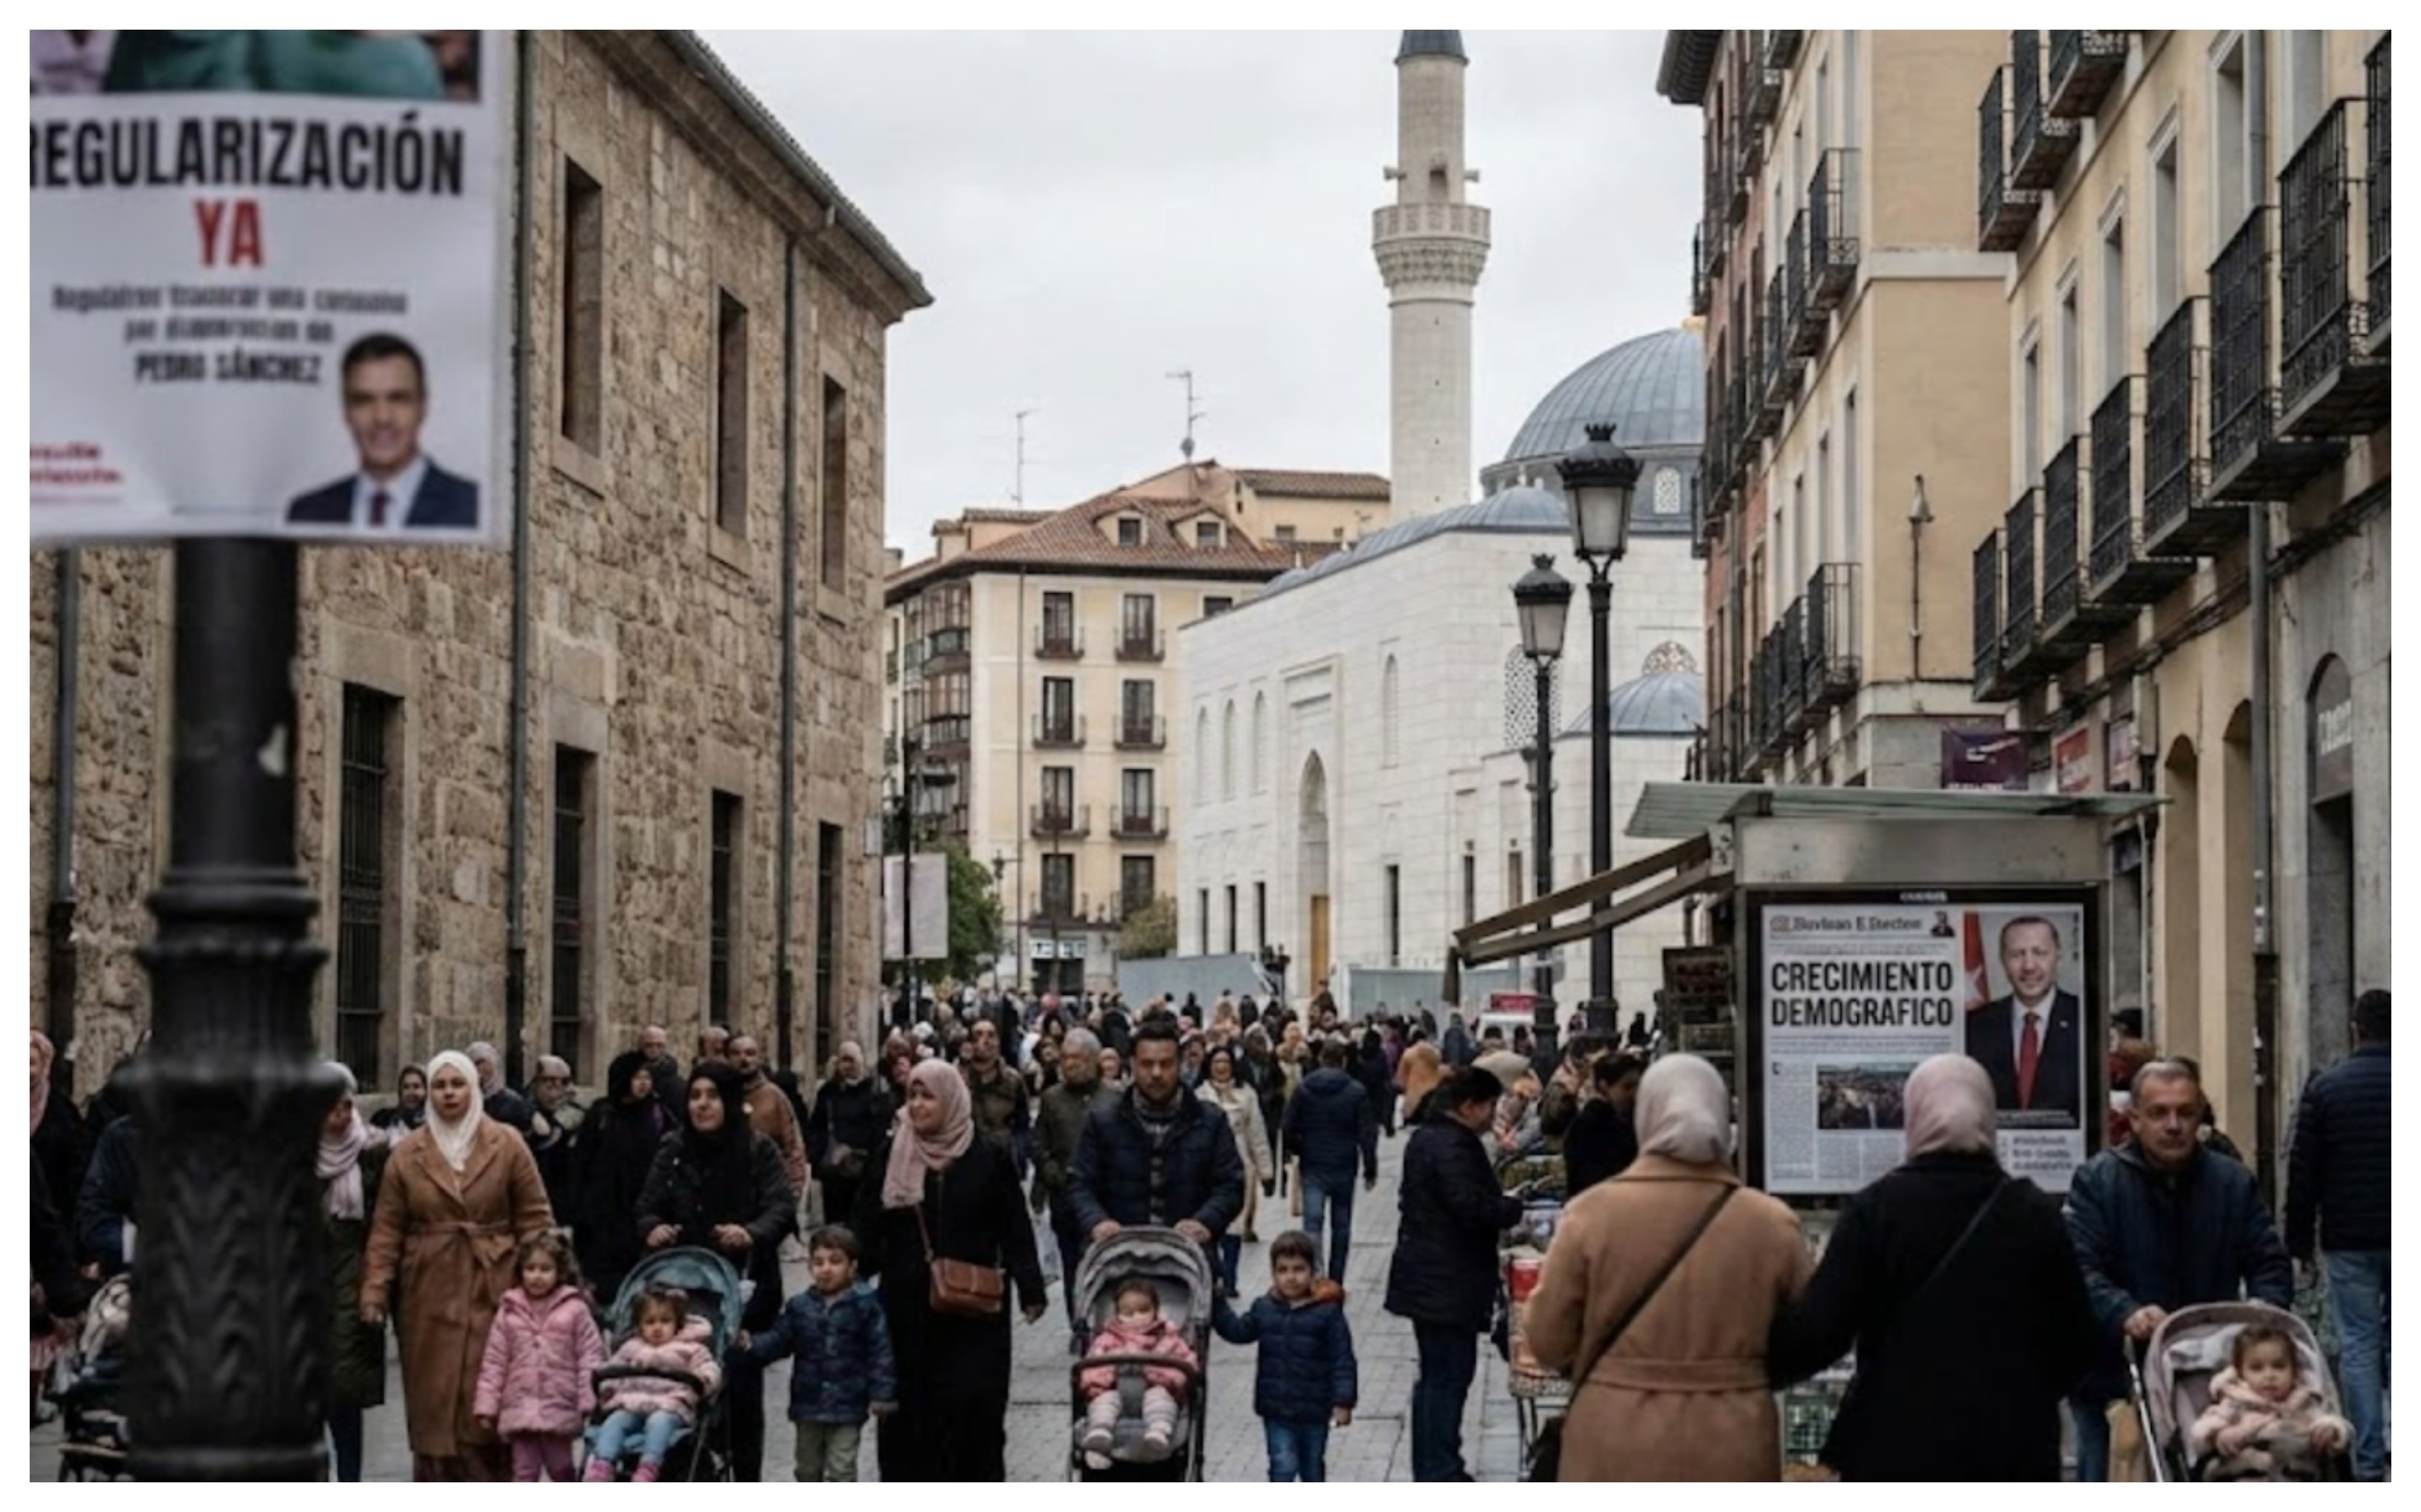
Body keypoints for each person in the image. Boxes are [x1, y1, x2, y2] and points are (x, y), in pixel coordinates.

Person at [1768, 1055, 2098, 1480]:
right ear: (1988, 1115)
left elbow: (1822, 1332)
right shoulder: (2033, 1213)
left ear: (1914, 1115)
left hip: (1898, 1447)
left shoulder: (1876, 1211)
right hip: (2013, 1450)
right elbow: (2076, 1344)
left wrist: (1748, 1366)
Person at [1524, 1054, 1811, 1481]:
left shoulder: (1592, 1215)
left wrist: (1605, 1366)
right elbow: (1808, 1336)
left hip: (1613, 1429)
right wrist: (1744, 1372)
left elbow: (1548, 1337)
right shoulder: (1770, 1224)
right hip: (1733, 1434)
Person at [2063, 1059, 2293, 1481]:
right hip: (2115, 1379)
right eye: (2159, 1113)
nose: (2173, 1125)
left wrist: (2261, 1317)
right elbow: (2080, 1267)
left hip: (2209, 1377)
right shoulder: (2098, 1182)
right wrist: (2126, 1312)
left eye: (2185, 1113)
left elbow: (2269, 1262)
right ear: (2135, 1119)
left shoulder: (2232, 1183)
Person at [360, 1049, 556, 1480]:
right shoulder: (406, 1154)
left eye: (457, 1084)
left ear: (473, 1087)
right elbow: (387, 1229)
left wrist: (543, 1285)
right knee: (434, 1399)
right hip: (427, 1291)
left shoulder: (507, 1143)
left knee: (487, 1398)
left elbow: (535, 1219)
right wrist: (376, 1289)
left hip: (495, 1285)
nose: (449, 1094)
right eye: (440, 1086)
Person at [853, 1059, 1047, 1481]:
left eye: (929, 1096)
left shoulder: (986, 1155)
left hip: (974, 1313)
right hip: (907, 1311)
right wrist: (853, 1276)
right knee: (909, 1418)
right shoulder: (893, 1154)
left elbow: (1014, 1225)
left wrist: (1031, 1287)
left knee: (974, 1414)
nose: (918, 1106)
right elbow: (868, 1223)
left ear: (952, 1099)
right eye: (913, 1096)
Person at [636, 1062, 796, 1480]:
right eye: (695, 1096)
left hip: (742, 1290)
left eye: (712, 1096)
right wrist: (653, 1228)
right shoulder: (673, 1150)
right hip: (682, 1290)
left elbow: (781, 1207)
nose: (702, 1105)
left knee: (740, 1394)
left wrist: (751, 1232)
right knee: (678, 1388)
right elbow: (647, 1204)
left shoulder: (758, 1150)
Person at [1384, 1066, 1524, 1481]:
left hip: (1429, 1276)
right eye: (1490, 1106)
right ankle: (1441, 1469)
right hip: (1448, 1279)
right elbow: (1468, 1204)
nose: (1492, 1115)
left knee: (1435, 1376)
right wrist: (1508, 1208)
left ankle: (1432, 1465)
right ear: (1468, 1106)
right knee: (1449, 1376)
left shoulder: (1427, 1138)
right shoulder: (1455, 1145)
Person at [2283, 987, 2391, 1480]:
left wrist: (2298, 1242)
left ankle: (2369, 1460)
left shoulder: (2327, 1089)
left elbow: (2303, 1172)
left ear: (2355, 1029)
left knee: (2360, 1344)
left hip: (2349, 1236)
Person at [1069, 1020, 1247, 1258]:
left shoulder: (1210, 1121)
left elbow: (1231, 1184)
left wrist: (1205, 1221)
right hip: (1117, 1257)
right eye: (1147, 1064)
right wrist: (1097, 1221)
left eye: (1166, 1064)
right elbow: (1080, 1183)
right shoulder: (1102, 1122)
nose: (1156, 1073)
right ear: (1132, 1065)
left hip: (1189, 1257)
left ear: (1180, 1064)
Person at [739, 1225, 897, 1482]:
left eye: (835, 1262)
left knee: (841, 1468)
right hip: (808, 1403)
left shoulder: (865, 1307)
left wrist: (883, 1393)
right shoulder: (800, 1307)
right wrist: (752, 1345)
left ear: (852, 1266)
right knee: (807, 1468)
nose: (826, 1269)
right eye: (818, 1262)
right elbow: (780, 1339)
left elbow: (880, 1351)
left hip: (848, 1403)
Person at [286, 332, 481, 529]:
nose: (382, 418)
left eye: (398, 399)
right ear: (346, 411)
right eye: (364, 401)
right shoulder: (307, 513)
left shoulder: (473, 507)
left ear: (423, 406)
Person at [1212, 1230, 1357, 1482]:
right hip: (1277, 1408)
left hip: (1315, 1408)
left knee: (1312, 1467)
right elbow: (1238, 1331)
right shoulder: (1265, 1308)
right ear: (1274, 1273)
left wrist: (1343, 1401)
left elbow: (1342, 1359)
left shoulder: (1327, 1313)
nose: (1291, 1277)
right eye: (1283, 1270)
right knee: (1282, 1465)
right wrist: (1216, 1303)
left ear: (1313, 1271)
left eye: (1299, 1269)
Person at [472, 1229, 607, 1482]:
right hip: (520, 1406)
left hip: (559, 1404)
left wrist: (588, 1397)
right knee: (524, 1471)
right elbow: (494, 1361)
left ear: (560, 1271)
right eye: (530, 1269)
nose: (537, 1276)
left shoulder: (575, 1310)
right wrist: (487, 1405)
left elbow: (590, 1356)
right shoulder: (510, 1311)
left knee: (561, 1468)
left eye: (545, 1269)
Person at [319, 1063, 391, 1482]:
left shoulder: (372, 1152)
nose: (340, 1114)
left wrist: (376, 1286)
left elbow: (386, 1223)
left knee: (344, 1393)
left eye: (346, 1105)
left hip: (353, 1283)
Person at [582, 1286, 721, 1483]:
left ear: (677, 1323)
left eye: (665, 1321)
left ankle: (649, 1466)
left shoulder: (690, 1348)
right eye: (650, 1322)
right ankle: (602, 1464)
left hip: (670, 1405)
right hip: (632, 1403)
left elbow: (709, 1367)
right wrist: (608, 1387)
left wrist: (704, 1379)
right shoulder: (631, 1348)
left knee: (658, 1422)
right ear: (639, 1326)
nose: (657, 1328)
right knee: (615, 1421)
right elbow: (611, 1370)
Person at [2187, 1321, 2351, 1480]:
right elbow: (2201, 1432)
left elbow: (2328, 1420)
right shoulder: (2233, 1403)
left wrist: (2331, 1431)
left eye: (2279, 1366)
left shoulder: (2304, 1402)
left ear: (2294, 1371)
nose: (2269, 1376)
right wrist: (2217, 1437)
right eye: (2257, 1368)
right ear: (2240, 1374)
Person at [1035, 1028, 1116, 1343]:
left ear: (1094, 1060)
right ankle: (1079, 1324)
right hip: (1066, 1197)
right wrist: (1053, 1174)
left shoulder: (1113, 1099)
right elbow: (1039, 1144)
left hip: (1104, 1198)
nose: (1071, 1064)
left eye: (1078, 1058)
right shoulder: (1052, 1099)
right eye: (1066, 1058)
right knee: (1072, 1264)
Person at [573, 1051, 674, 1304]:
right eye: (637, 1077)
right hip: (602, 1211)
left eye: (647, 1078)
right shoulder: (602, 1113)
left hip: (639, 1208)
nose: (643, 1084)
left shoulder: (657, 1114)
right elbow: (581, 1161)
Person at [1963, 915, 2085, 1120]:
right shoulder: (1976, 1025)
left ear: (2058, 955)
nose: (2029, 966)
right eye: (2016, 954)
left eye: (2040, 953)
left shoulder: (2085, 1017)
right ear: (2003, 960)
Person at [1282, 1039, 1378, 1281]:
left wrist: (1296, 1149)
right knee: (1341, 1225)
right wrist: (1370, 1167)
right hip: (1344, 1164)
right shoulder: (1356, 1091)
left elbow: (1288, 1126)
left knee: (1312, 1222)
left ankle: (1315, 1274)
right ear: (1343, 1061)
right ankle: (1336, 1279)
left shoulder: (1304, 1089)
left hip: (1313, 1163)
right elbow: (1367, 1133)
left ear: (1320, 1059)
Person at [1078, 1278, 1199, 1461]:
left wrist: (1160, 1375)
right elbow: (1091, 1370)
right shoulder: (1107, 1340)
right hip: (1115, 1391)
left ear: (1155, 1310)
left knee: (1160, 1399)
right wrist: (1107, 1377)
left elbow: (1187, 1366)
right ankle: (1100, 1432)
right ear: (1118, 1315)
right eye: (1128, 1313)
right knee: (1104, 1401)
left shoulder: (1169, 1339)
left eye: (1144, 1311)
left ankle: (1159, 1431)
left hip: (1157, 1389)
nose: (1137, 1318)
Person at [1199, 1046, 1275, 1293]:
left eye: (1226, 1062)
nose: (1221, 1067)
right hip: (1206, 1165)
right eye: (1217, 1062)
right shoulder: (1199, 1095)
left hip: (1240, 1162)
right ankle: (1215, 1274)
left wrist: (1266, 1171)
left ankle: (1230, 1278)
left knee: (1235, 1222)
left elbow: (1257, 1134)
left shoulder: (1247, 1094)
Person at [806, 1041, 891, 1231]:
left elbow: (878, 1128)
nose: (848, 1066)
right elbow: (816, 1126)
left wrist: (856, 1149)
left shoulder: (874, 1091)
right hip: (834, 1171)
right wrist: (817, 1157)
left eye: (852, 1060)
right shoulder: (828, 1092)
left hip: (864, 1169)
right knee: (835, 1222)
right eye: (844, 1060)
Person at [729, 1034, 809, 1202]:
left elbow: (793, 1146)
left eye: (750, 1053)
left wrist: (794, 1190)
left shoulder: (774, 1096)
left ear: (759, 1059)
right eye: (736, 1053)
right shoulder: (721, 1096)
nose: (744, 1059)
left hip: (767, 1188)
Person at [1561, 1052, 1645, 1195]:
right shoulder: (1591, 1127)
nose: (1635, 1094)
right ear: (1604, 1086)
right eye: (1627, 1087)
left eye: (1638, 1086)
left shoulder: (1623, 1120)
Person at [31, 1031, 85, 1236]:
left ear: (44, 1065)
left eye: (31, 1063)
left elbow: (75, 1171)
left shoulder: (62, 1112)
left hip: (50, 1222)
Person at [961, 1019, 1031, 1171]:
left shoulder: (1013, 1081)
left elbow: (1023, 1124)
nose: (985, 1041)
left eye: (991, 1036)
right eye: (978, 1035)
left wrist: (1018, 1154)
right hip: (966, 1160)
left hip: (1002, 1161)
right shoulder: (957, 1079)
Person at [523, 1054, 582, 1221]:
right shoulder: (525, 1112)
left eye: (563, 1082)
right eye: (549, 1082)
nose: (556, 1088)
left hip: (565, 1199)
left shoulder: (575, 1114)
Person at [464, 1041, 532, 1132]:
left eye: (482, 1062)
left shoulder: (512, 1102)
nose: (479, 1069)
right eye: (475, 1063)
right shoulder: (464, 1100)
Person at [1353, 1028, 1397, 1138]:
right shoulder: (1381, 1055)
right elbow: (1385, 1076)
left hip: (1360, 1093)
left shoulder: (1358, 1055)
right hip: (1377, 1095)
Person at [636, 1024, 684, 1119]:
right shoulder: (627, 1077)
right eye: (649, 1045)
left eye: (659, 1045)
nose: (654, 1050)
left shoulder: (677, 1085)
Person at [1396, 1035, 1444, 1128]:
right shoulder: (1436, 1055)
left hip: (1413, 1096)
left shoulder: (1408, 1055)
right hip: (1432, 1093)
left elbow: (1401, 1080)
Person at [373, 1063, 429, 1133]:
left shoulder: (434, 1122)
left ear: (426, 1090)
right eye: (406, 1087)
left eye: (416, 1087)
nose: (411, 1093)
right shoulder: (383, 1118)